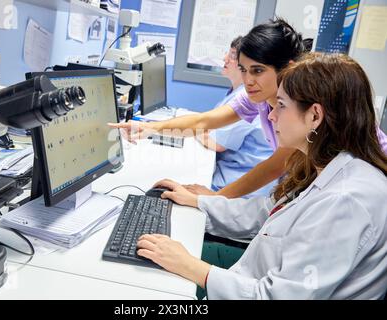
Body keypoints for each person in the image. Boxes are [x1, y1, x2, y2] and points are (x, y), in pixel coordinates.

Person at [136, 53, 387, 299]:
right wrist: (199, 202)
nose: (270, 115)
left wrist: (190, 266)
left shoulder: (346, 201)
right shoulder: (325, 165)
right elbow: (264, 214)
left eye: (281, 105)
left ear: (314, 116)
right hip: (253, 276)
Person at [109, 19, 387, 199]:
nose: (247, 80)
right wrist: (147, 128)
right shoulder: (261, 99)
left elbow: (276, 165)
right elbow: (206, 121)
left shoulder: (303, 106)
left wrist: (213, 200)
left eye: (257, 70)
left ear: (288, 68)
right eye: (243, 70)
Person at [196, 36, 274, 196]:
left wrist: (196, 130)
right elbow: (211, 125)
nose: (225, 59)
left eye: (232, 55)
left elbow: (217, 143)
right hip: (232, 176)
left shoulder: (250, 97)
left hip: (237, 187)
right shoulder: (238, 93)